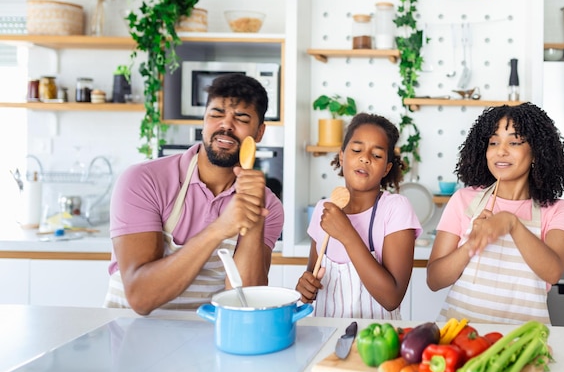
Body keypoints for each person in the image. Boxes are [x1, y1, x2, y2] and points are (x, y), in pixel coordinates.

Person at [104, 74, 284, 315]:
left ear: (259, 132)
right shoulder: (144, 180)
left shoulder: (268, 205)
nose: (226, 125)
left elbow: (246, 303)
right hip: (130, 335)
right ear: (203, 121)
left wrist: (252, 214)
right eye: (216, 114)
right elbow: (141, 297)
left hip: (208, 340)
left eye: (241, 118)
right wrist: (221, 228)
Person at [427, 103, 564, 324]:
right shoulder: (464, 200)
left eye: (514, 142)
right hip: (461, 338)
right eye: (493, 142)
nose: (500, 151)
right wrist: (470, 244)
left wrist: (511, 223)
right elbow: (434, 280)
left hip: (522, 341)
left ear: (536, 152)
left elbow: (553, 272)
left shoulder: (556, 210)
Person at [296, 113, 422, 319]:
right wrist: (305, 286)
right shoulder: (323, 210)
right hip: (326, 339)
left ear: (386, 168)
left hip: (377, 343)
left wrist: (347, 233)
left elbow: (392, 298)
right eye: (356, 150)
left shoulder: (395, 208)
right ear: (342, 156)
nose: (365, 158)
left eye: (377, 155)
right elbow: (313, 274)